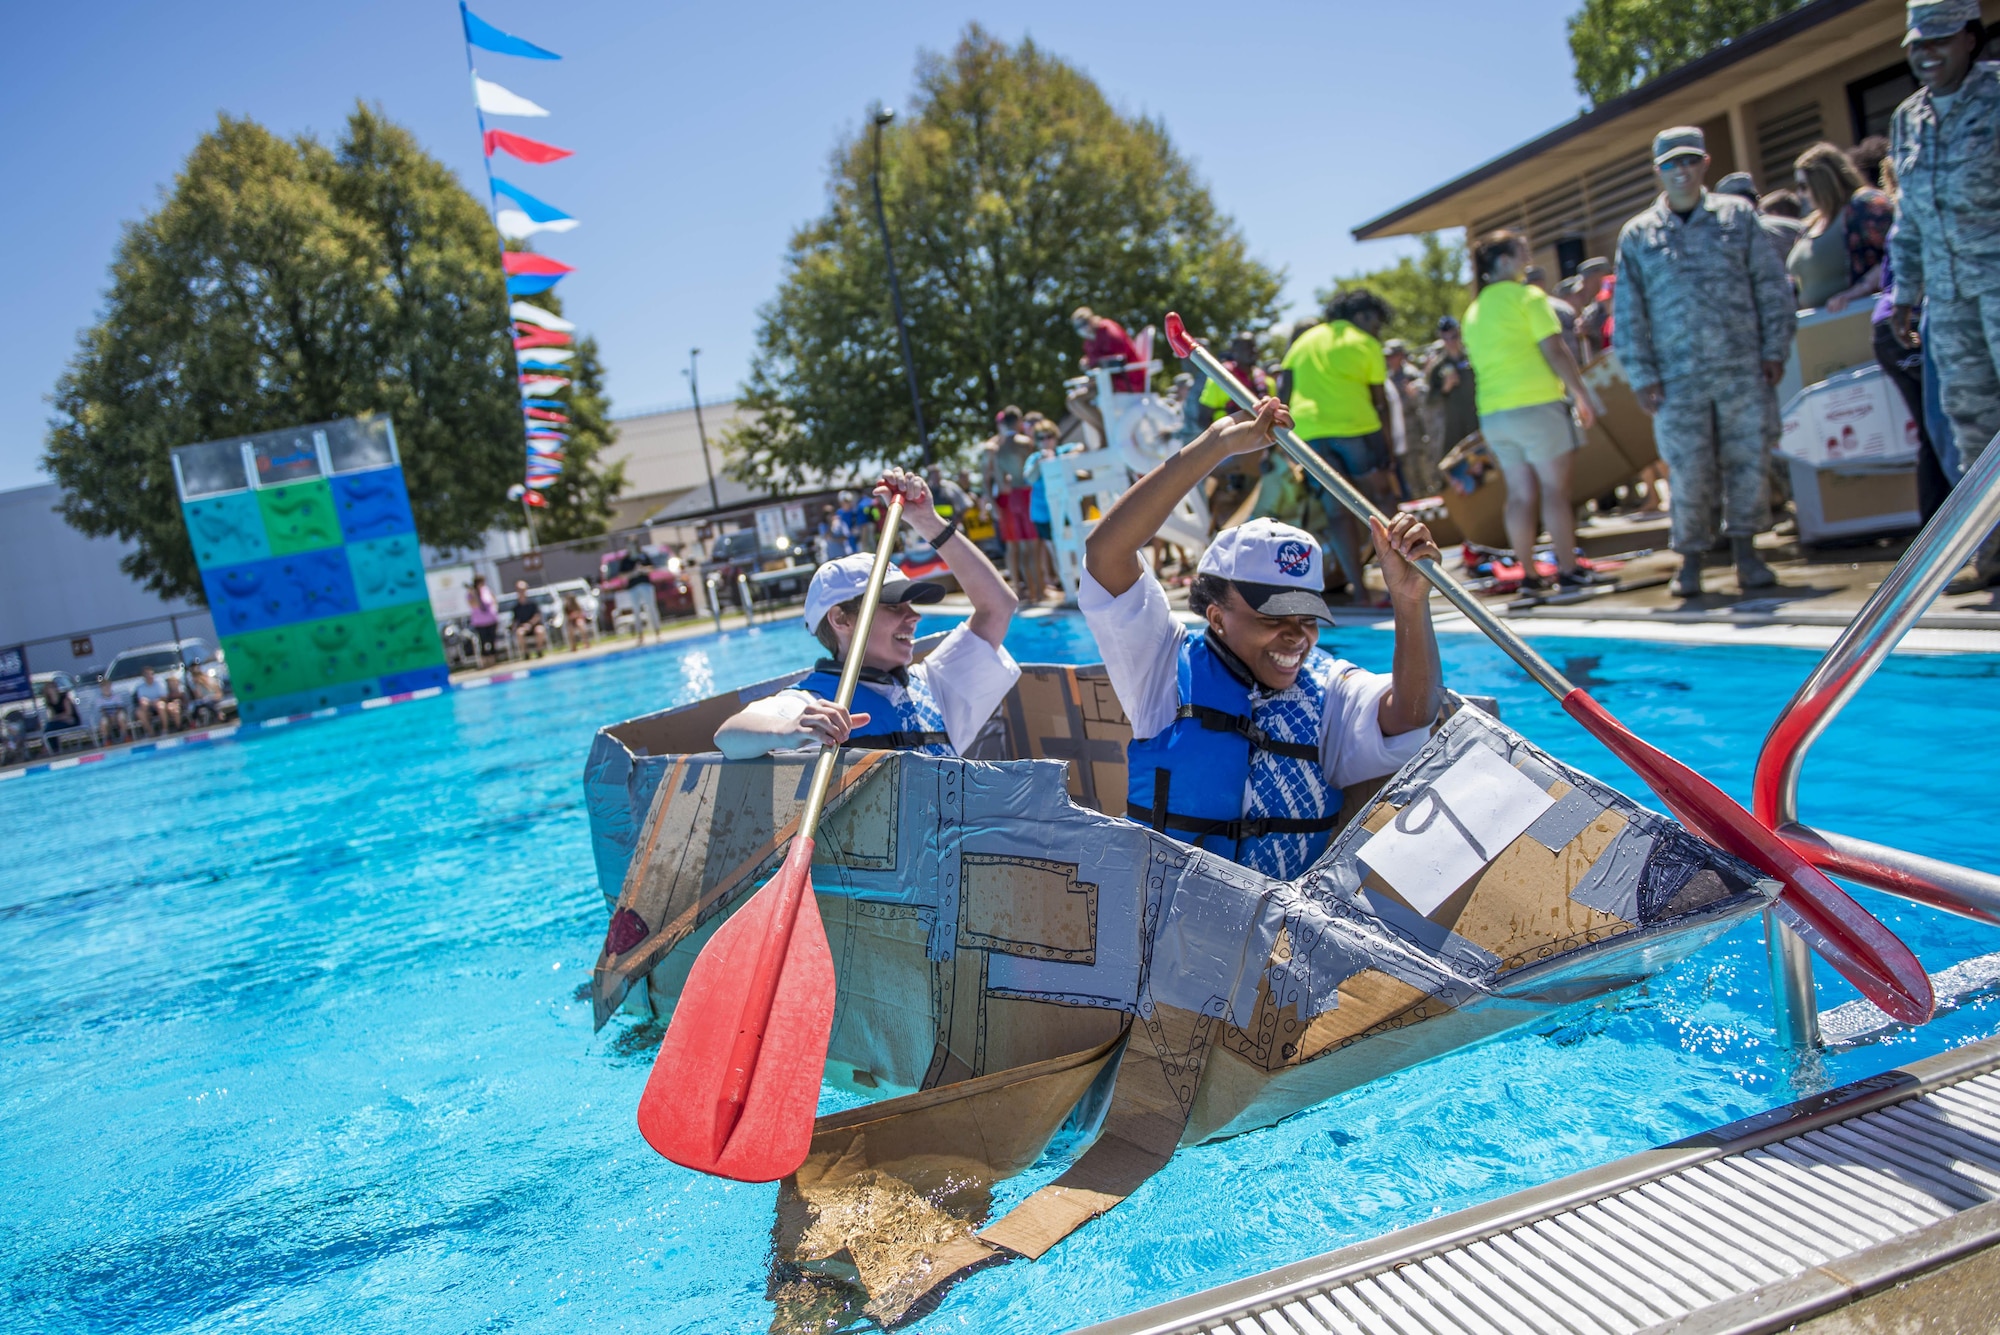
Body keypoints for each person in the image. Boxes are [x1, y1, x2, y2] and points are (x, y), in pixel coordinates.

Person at [1080, 396, 1443, 881]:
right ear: (1216, 616)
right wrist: (1217, 445)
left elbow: (1412, 714)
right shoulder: (1162, 667)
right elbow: (1107, 553)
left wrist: (1410, 601)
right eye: (1273, 617)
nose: (1295, 636)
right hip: (1168, 925)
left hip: (1283, 937)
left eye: (1307, 617)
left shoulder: (1329, 686)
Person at [713, 470, 1021, 759]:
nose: (914, 617)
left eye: (910, 604)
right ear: (841, 620)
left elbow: (999, 607)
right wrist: (787, 730)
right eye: (893, 605)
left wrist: (928, 521)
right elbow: (729, 736)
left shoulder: (934, 684)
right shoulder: (813, 704)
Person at [1614, 124, 1796, 597]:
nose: (1682, 170)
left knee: (1747, 460)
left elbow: (1771, 285)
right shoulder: (1638, 235)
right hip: (1677, 378)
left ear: (1705, 163)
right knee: (1689, 468)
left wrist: (1775, 348)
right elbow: (1629, 313)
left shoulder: (1737, 216)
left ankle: (1747, 553)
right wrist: (1641, 373)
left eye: (1690, 160)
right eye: (1671, 163)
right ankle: (1691, 558)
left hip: (1742, 367)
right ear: (1658, 171)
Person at [1889, 0, 2000, 589]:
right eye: (1917, 43)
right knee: (1970, 425)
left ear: (1970, 39)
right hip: (1951, 298)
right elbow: (1908, 215)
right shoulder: (1908, 118)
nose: (1927, 54)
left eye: (1941, 40)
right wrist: (1905, 291)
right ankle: (1994, 551)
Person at [1462, 231, 1606, 593]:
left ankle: (1528, 574)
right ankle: (1569, 570)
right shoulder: (1528, 297)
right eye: (1522, 251)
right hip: (1537, 405)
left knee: (1520, 494)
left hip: (1494, 415)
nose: (1528, 256)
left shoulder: (1473, 311)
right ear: (1504, 261)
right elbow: (1555, 349)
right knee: (1555, 491)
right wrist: (1582, 395)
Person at [1278, 289, 1401, 602]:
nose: (1377, 329)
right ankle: (1398, 583)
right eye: (1375, 320)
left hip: (1309, 436)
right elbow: (1380, 402)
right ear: (1360, 316)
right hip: (1356, 429)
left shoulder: (1303, 342)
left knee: (1337, 513)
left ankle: (1359, 592)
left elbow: (1284, 391)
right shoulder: (1365, 343)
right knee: (1381, 501)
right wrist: (1387, 451)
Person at [1787, 142, 1895, 311]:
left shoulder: (1865, 205)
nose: (1800, 194)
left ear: (1823, 182)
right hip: (1820, 328)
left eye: (1803, 186)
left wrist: (1857, 292)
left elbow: (1896, 255)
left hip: (1861, 318)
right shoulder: (1810, 223)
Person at [982, 406, 1040, 600]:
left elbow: (989, 478)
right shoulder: (1026, 443)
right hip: (1026, 494)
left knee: (1014, 547)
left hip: (1007, 499)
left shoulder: (994, 448)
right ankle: (1037, 591)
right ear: (1018, 421)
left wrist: (991, 502)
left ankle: (1020, 589)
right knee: (1031, 546)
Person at [1427, 316, 1480, 457]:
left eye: (1454, 336)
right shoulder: (1437, 367)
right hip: (1454, 425)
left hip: (1477, 419)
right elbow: (1430, 400)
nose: (1451, 342)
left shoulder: (1473, 358)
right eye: (1446, 338)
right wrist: (1446, 387)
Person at [614, 539, 659, 643]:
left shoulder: (643, 556)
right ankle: (640, 635)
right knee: (636, 610)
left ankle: (657, 632)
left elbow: (652, 568)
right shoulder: (626, 560)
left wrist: (643, 569)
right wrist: (633, 573)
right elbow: (621, 576)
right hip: (633, 587)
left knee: (651, 608)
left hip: (646, 585)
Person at [510, 580, 550, 657]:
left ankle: (539, 651)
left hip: (534, 626)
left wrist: (530, 624)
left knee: (540, 630)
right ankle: (526, 653)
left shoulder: (533, 604)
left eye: (523, 590)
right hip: (523, 627)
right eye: (519, 590)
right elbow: (515, 620)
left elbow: (537, 616)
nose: (521, 592)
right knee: (519, 633)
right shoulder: (516, 607)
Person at [132, 665, 174, 736]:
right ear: (144, 677)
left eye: (151, 674)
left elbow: (164, 697)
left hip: (159, 703)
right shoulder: (140, 687)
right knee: (139, 712)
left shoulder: (159, 683)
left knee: (160, 706)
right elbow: (141, 700)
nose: (149, 676)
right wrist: (148, 703)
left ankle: (165, 730)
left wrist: (156, 701)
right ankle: (150, 732)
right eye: (147, 675)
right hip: (148, 706)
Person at [467, 574, 500, 661]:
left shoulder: (486, 590)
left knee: (492, 640)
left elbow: (493, 600)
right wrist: (475, 594)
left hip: (491, 620)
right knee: (483, 642)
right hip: (480, 622)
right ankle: (485, 661)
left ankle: (493, 659)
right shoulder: (471, 594)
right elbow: (475, 605)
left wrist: (495, 609)